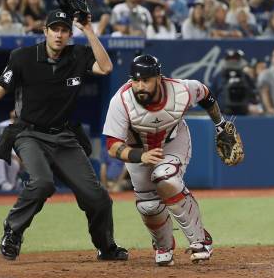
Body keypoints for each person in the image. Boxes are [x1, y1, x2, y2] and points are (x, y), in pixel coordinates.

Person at [0, 0, 127, 262]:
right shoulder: (23, 57)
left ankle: (106, 247)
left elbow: (106, 68)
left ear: (70, 34)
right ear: (45, 31)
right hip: (29, 134)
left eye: (64, 29)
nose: (59, 34)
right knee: (42, 183)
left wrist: (88, 29)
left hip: (64, 136)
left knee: (98, 198)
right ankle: (13, 231)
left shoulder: (78, 54)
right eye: (54, 29)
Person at [102, 55, 241, 266]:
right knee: (148, 206)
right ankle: (164, 245)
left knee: (166, 178)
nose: (139, 85)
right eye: (135, 80)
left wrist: (220, 124)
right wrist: (141, 156)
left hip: (173, 142)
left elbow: (206, 95)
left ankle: (199, 240)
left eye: (145, 80)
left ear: (159, 78)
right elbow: (112, 146)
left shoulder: (182, 90)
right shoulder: (121, 100)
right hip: (138, 151)